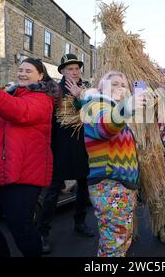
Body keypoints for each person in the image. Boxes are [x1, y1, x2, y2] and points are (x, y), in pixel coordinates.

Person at [0, 57, 57, 257]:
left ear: (40, 75)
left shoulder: (42, 99)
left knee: (21, 230)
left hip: (21, 176)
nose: (22, 73)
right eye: (20, 70)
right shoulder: (11, 95)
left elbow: (18, 112)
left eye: (29, 71)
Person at [80, 71, 146, 257]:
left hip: (120, 187)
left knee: (119, 240)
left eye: (123, 85)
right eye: (114, 83)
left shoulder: (111, 108)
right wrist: (125, 108)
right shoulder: (95, 105)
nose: (120, 87)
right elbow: (104, 127)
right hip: (110, 186)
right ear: (102, 87)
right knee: (114, 245)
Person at [37, 54, 95, 255]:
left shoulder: (88, 91)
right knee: (53, 191)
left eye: (77, 68)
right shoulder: (54, 91)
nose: (74, 71)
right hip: (59, 148)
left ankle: (80, 222)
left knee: (83, 187)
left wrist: (83, 97)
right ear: (61, 71)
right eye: (70, 68)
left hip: (82, 147)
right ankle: (43, 232)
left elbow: (95, 116)